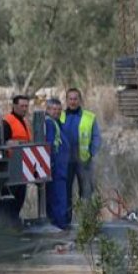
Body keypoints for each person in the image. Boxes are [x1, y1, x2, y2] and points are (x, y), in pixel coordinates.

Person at [61, 88, 101, 216]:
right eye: (70, 99)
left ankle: (86, 222)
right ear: (66, 100)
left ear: (80, 100)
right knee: (65, 193)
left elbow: (96, 137)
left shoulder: (89, 117)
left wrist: (91, 152)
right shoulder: (59, 116)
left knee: (86, 192)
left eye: (75, 99)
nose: (73, 102)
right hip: (65, 161)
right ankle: (65, 221)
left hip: (84, 161)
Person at [0, 94, 31, 232]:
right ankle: (5, 227)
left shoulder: (24, 121)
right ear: (14, 106)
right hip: (10, 167)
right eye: (22, 106)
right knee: (8, 198)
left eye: (26, 106)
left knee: (20, 197)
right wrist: (9, 143)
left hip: (22, 166)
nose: (24, 109)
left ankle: (13, 224)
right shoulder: (7, 121)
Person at [44, 98, 70, 230]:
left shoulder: (56, 123)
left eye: (59, 110)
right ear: (47, 109)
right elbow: (49, 144)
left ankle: (58, 223)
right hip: (56, 168)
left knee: (57, 197)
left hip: (60, 167)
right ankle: (60, 225)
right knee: (58, 198)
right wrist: (52, 164)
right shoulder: (50, 124)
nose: (57, 112)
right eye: (54, 109)